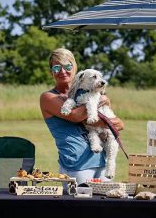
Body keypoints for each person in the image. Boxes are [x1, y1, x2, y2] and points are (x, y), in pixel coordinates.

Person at [39, 48, 124, 183]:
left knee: (105, 203)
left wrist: (101, 116)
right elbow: (75, 116)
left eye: (67, 66)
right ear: (51, 72)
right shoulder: (48, 97)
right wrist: (100, 100)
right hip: (77, 166)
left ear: (75, 68)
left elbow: (118, 124)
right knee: (80, 204)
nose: (62, 71)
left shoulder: (90, 93)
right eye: (56, 68)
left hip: (101, 162)